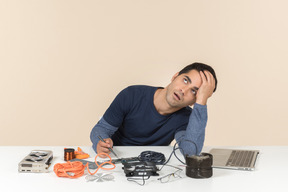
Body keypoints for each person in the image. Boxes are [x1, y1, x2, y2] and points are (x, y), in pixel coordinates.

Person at [90, 62, 217, 157]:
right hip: (115, 159)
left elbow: (190, 152)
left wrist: (201, 102)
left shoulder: (186, 118)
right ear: (174, 76)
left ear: (194, 101)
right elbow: (101, 129)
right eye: (185, 80)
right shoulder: (131, 95)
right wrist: (100, 143)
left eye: (194, 91)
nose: (183, 90)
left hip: (152, 166)